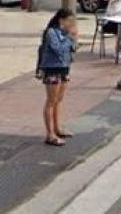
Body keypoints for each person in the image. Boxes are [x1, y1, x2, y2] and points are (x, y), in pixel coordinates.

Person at [37, 8, 79, 146]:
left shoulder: (65, 33)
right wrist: (69, 37)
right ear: (61, 20)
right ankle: (50, 134)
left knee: (59, 100)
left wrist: (74, 38)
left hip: (64, 68)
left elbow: (73, 48)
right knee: (51, 100)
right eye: (69, 21)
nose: (71, 24)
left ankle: (57, 127)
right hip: (52, 68)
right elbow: (58, 50)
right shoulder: (51, 33)